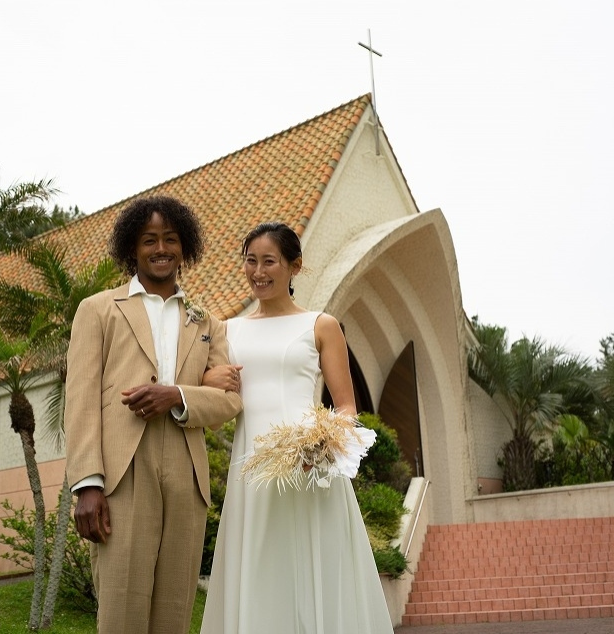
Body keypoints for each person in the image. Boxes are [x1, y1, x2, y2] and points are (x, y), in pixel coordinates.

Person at [200, 222, 393, 633]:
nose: (258, 272)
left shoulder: (321, 325)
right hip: (251, 472)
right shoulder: (228, 331)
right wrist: (209, 383)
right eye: (250, 261)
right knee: (259, 569)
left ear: (295, 266)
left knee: (312, 570)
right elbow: (217, 415)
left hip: (309, 469)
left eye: (269, 261)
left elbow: (346, 406)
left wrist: (321, 446)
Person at [64, 195, 243, 634]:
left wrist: (176, 395)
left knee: (174, 612)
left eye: (170, 239)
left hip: (187, 474)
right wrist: (88, 484)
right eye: (149, 240)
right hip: (122, 473)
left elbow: (229, 402)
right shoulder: (98, 309)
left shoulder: (207, 323)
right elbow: (81, 400)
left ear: (185, 248)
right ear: (133, 248)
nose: (161, 248)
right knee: (121, 610)